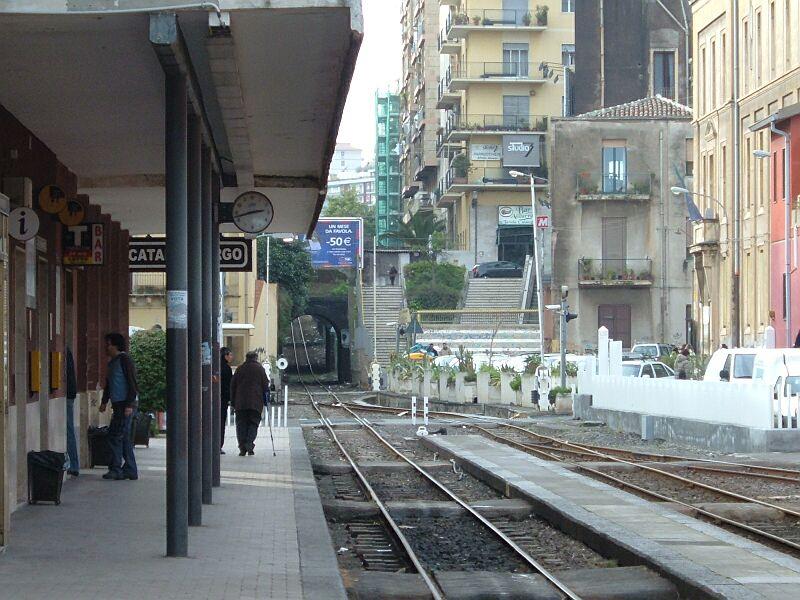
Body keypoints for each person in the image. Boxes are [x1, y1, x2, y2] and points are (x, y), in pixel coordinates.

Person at [99, 333, 139, 480]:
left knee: (115, 436)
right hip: (119, 404)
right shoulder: (113, 362)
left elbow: (132, 382)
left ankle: (116, 469)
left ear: (115, 345)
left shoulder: (124, 360)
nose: (106, 347)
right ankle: (130, 468)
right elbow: (109, 384)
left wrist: (129, 404)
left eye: (108, 344)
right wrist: (104, 401)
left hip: (125, 405)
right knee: (123, 437)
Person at [231, 351, 270, 456]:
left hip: (240, 403)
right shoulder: (260, 369)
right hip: (255, 403)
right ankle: (249, 443)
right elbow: (266, 386)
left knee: (241, 425)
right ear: (256, 358)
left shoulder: (239, 369)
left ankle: (242, 448)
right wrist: (266, 401)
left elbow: (233, 385)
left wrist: (233, 401)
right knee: (253, 423)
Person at [65, 347, 79, 477]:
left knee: (68, 431)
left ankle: (74, 465)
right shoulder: (67, 351)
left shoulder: (64, 352)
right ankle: (74, 464)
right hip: (70, 393)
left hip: (67, 394)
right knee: (69, 430)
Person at [220, 347, 234, 454]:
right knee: (221, 422)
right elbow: (229, 385)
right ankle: (219, 444)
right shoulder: (226, 368)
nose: (232, 357)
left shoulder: (214, 366)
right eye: (230, 355)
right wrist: (230, 399)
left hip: (214, 398)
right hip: (223, 399)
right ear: (225, 356)